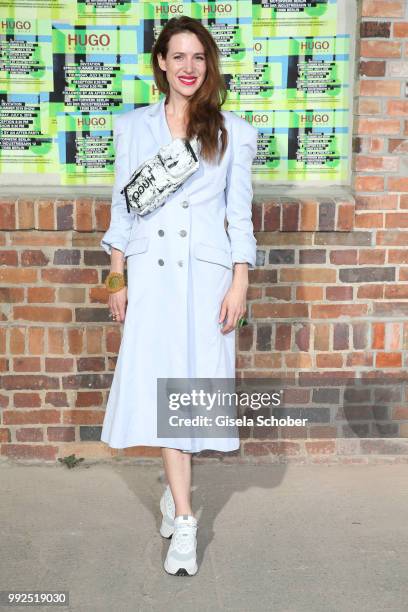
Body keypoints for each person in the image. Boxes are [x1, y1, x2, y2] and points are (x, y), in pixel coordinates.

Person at [100, 16, 258, 576]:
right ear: (161, 63)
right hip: (153, 278)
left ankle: (175, 490)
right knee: (166, 385)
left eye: (198, 57)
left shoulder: (234, 131)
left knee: (190, 391)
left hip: (206, 279)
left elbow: (238, 216)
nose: (188, 67)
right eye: (178, 56)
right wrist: (117, 277)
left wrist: (240, 280)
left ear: (207, 65)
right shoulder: (133, 128)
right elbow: (126, 206)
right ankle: (186, 520)